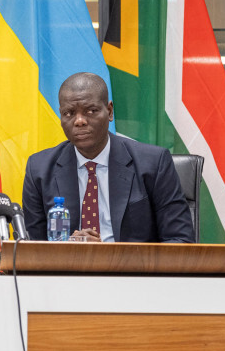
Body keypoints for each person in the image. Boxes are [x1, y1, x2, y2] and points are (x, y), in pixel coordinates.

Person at [22, 72, 194, 243]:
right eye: (69, 113)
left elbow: (180, 240)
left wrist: (110, 257)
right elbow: (33, 248)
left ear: (109, 111)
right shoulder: (39, 170)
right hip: (67, 269)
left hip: (133, 268)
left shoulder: (154, 163)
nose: (79, 121)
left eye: (91, 111)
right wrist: (70, 251)